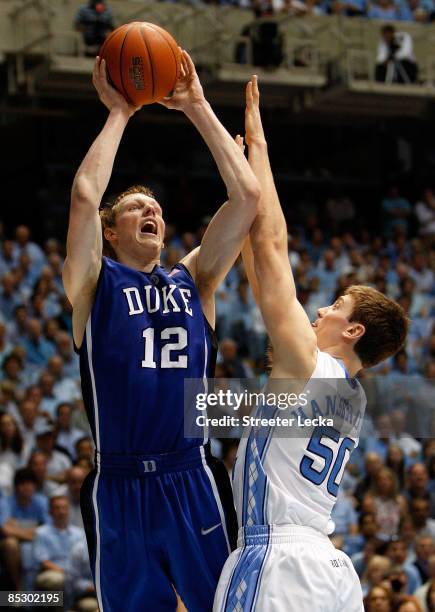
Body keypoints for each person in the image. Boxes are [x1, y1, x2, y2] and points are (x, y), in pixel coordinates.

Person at [62, 52, 259, 611]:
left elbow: (246, 199)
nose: (151, 209)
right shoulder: (93, 284)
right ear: (110, 230)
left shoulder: (194, 280)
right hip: (118, 484)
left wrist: (197, 105)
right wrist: (120, 112)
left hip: (190, 476)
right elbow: (82, 197)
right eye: (135, 207)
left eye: (156, 207)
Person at [213, 76, 409, 611]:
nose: (320, 309)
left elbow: (272, 246)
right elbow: (261, 270)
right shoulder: (349, 393)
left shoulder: (307, 364)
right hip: (329, 568)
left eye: (336, 306)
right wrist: (242, 198)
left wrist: (258, 149)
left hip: (278, 562)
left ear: (353, 332)